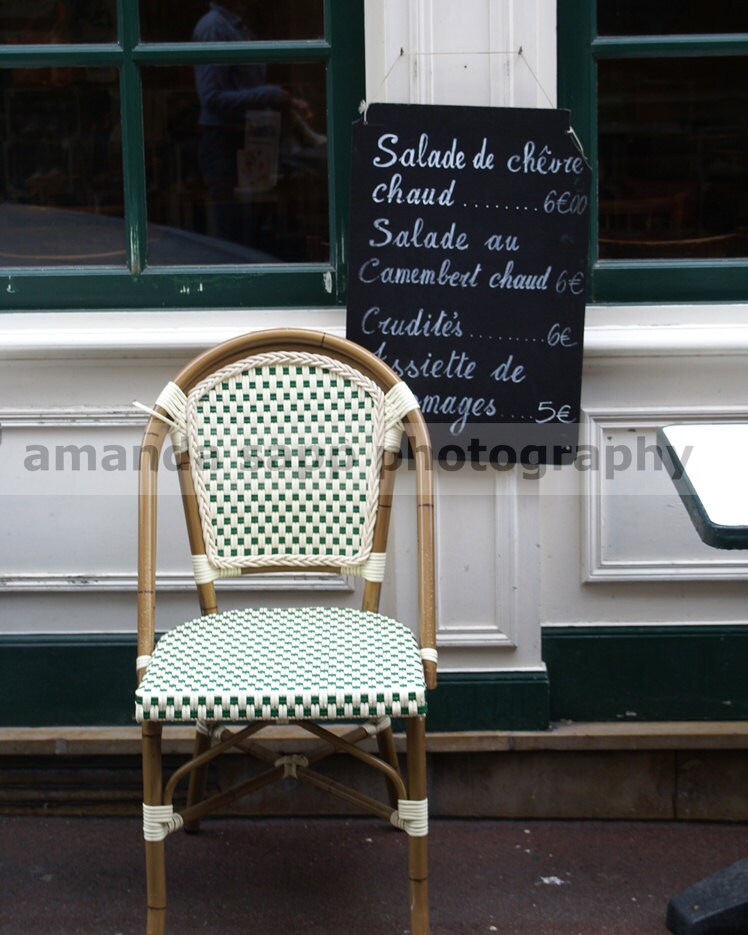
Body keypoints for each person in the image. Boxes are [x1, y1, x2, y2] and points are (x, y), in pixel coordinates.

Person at [193, 0, 313, 249]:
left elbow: (245, 87)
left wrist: (286, 101)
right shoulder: (214, 28)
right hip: (225, 146)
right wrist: (270, 95)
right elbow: (212, 99)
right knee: (234, 238)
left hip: (249, 143)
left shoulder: (240, 26)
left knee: (252, 233)